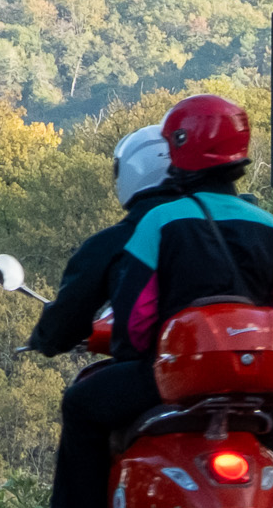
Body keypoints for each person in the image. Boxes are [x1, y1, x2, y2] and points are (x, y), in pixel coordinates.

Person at [37, 93, 273, 508]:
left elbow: (138, 315)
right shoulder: (268, 224)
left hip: (179, 375)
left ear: (182, 148)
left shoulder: (159, 222)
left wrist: (135, 351)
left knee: (81, 404)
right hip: (259, 377)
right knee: (271, 417)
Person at [24, 123, 174, 360]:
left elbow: (69, 317)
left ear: (130, 170)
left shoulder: (114, 241)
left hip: (155, 368)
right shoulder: (217, 222)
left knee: (79, 397)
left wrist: (46, 336)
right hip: (245, 357)